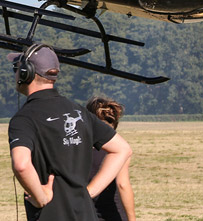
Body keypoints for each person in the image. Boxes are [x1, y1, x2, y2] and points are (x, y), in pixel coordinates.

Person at [8, 44, 132, 220]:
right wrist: (88, 193)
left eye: (16, 68)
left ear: (26, 73)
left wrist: (40, 197)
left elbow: (21, 164)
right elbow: (122, 149)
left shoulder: (23, 119)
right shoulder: (79, 112)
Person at [86, 97, 136, 221]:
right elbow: (122, 185)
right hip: (112, 214)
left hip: (83, 212)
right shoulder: (119, 150)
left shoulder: (76, 148)